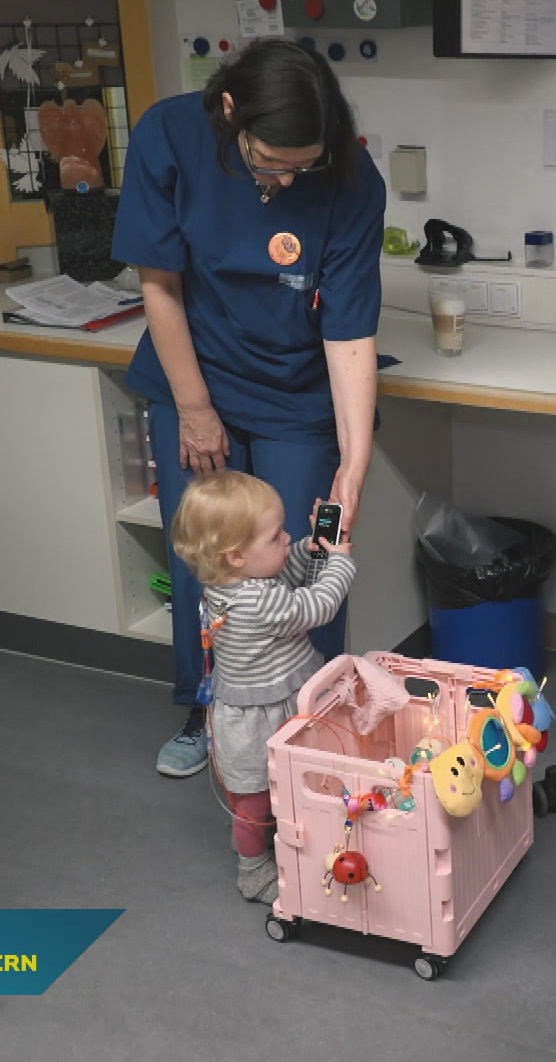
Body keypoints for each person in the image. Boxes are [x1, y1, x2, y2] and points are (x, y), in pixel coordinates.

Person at [111, 40, 385, 778]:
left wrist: (354, 463)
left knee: (298, 553)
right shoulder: (170, 138)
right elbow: (160, 287)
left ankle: (313, 726)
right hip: (196, 372)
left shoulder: (352, 182)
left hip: (298, 390)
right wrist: (195, 409)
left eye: (305, 164)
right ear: (231, 113)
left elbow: (351, 326)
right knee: (215, 559)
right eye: (272, 160)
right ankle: (211, 711)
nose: (290, 177)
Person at [169, 471, 355, 903]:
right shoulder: (256, 602)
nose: (286, 539)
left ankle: (275, 844)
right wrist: (339, 560)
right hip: (260, 717)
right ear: (236, 555)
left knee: (273, 794)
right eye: (276, 537)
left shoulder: (228, 583)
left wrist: (309, 549)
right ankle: (253, 870)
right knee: (253, 805)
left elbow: (277, 576)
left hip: (274, 701)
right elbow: (318, 605)